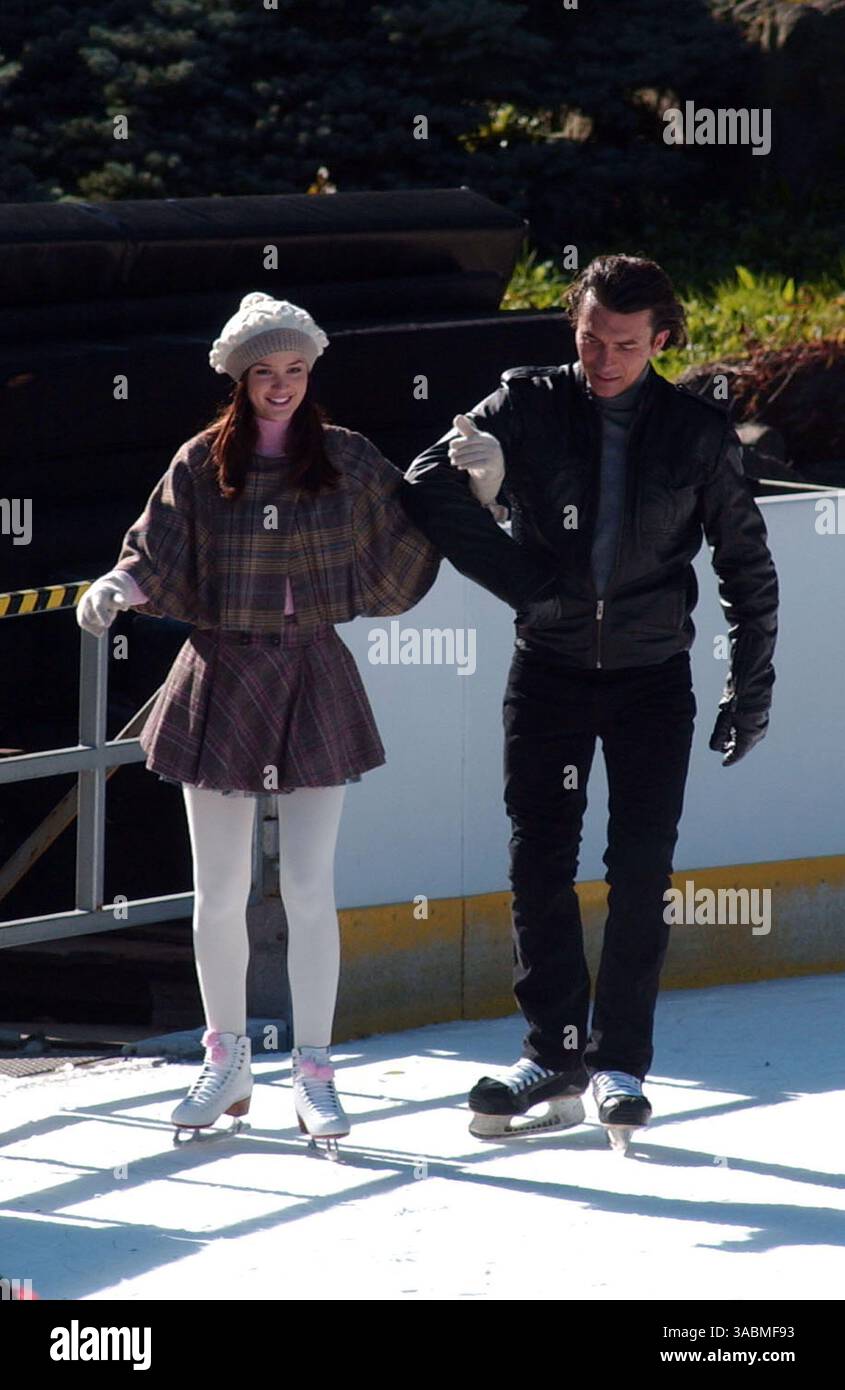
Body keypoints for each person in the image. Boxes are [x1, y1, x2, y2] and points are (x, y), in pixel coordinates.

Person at [400, 255, 778, 1151]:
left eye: (624, 344)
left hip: (652, 678)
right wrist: (528, 586)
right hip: (550, 670)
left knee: (640, 871)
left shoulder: (694, 431)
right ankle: (551, 1054)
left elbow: (745, 564)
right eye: (589, 338)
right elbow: (423, 481)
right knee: (539, 863)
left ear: (660, 341)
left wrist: (750, 687)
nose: (602, 359)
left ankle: (619, 1065)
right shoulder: (527, 402)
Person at [77, 292, 440, 1153]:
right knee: (219, 890)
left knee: (309, 887)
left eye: (296, 369)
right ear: (240, 379)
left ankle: (314, 1069)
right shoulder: (202, 461)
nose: (282, 385)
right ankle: (227, 1059)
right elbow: (153, 549)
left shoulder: (346, 455)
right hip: (222, 670)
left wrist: (483, 491)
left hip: (312, 669)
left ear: (310, 373)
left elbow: (413, 525)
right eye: (266, 371)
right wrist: (118, 586)